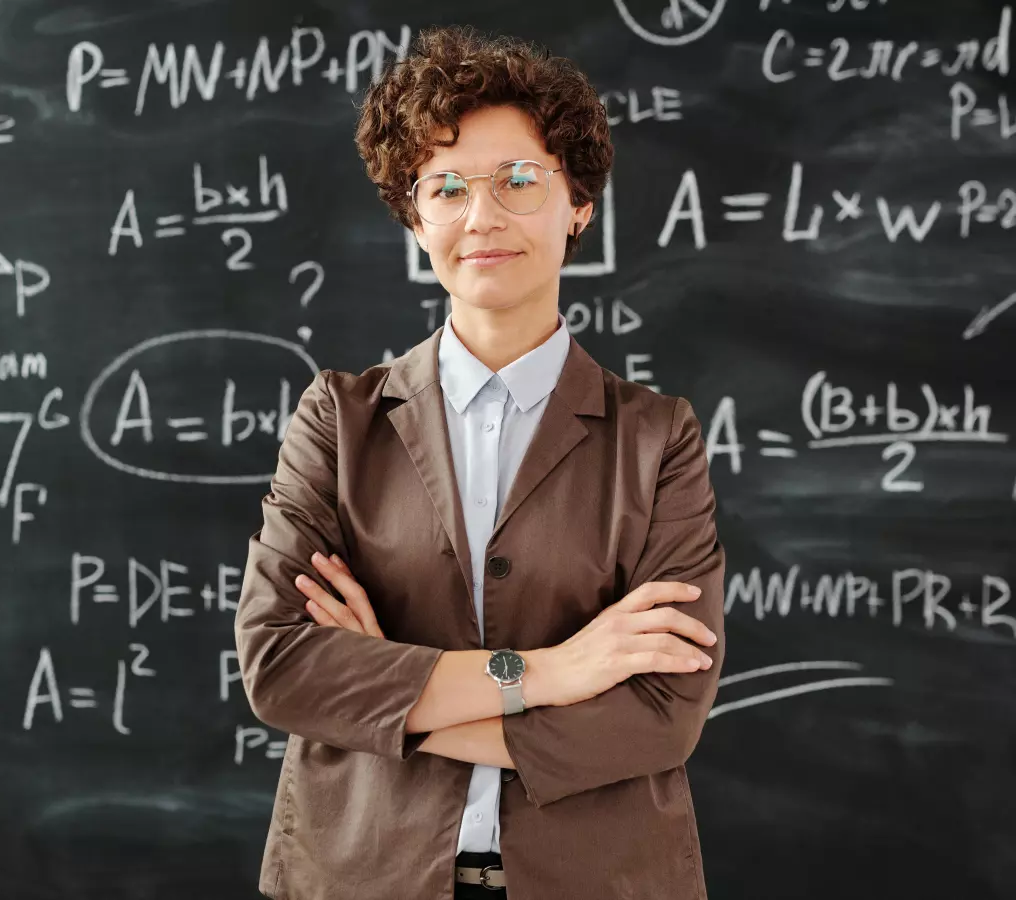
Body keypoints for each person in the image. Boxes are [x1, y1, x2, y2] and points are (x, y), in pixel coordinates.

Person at [234, 24, 726, 900]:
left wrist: (390, 696)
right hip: (358, 876)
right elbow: (282, 666)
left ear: (578, 203)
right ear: (414, 215)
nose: (482, 216)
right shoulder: (339, 421)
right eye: (447, 186)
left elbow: (658, 716)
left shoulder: (659, 438)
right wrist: (551, 673)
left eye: (519, 181)